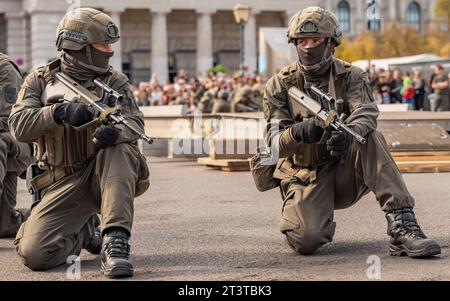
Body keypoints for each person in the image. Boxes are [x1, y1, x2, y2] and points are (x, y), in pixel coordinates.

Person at [261, 6, 441, 257]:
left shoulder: (352, 76)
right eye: (302, 41)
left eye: (316, 40)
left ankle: (403, 225)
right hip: (307, 174)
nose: (308, 47)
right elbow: (270, 143)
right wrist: (299, 132)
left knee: (369, 136)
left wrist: (347, 133)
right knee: (306, 240)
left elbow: (366, 112)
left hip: (346, 166)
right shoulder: (280, 84)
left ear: (331, 42)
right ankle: (303, 213)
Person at [8, 8, 150, 278]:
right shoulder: (39, 80)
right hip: (58, 184)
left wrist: (116, 134)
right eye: (102, 44)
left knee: (120, 149)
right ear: (79, 46)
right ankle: (83, 232)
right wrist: (57, 113)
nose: (109, 50)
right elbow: (18, 127)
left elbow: (137, 125)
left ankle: (115, 242)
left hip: (103, 178)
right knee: (34, 254)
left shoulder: (115, 82)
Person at [0, 52, 33, 238]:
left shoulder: (5, 68)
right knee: (4, 226)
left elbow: (7, 120)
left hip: (14, 142)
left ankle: (62, 217)